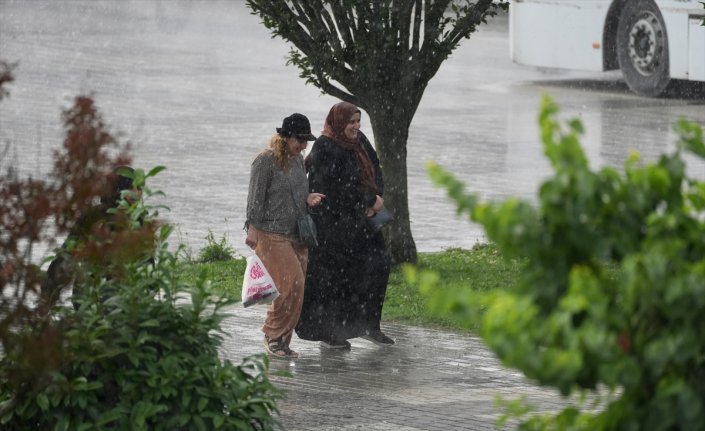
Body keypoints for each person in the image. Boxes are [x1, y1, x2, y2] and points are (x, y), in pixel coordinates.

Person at [295, 101, 394, 349]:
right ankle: (330, 332)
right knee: (333, 280)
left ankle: (369, 324)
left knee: (378, 264)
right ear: (339, 122)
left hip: (361, 220)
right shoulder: (325, 146)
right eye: (351, 122)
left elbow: (376, 167)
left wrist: (375, 199)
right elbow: (332, 188)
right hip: (333, 226)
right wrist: (368, 200)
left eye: (358, 121)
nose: (356, 126)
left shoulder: (359, 141)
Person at [245, 113, 325, 360]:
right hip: (271, 233)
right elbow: (255, 197)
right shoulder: (265, 161)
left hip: (297, 234)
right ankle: (272, 334)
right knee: (292, 283)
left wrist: (308, 198)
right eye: (300, 140)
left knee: (297, 289)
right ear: (286, 137)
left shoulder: (298, 161)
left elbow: (297, 193)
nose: (303, 146)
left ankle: (282, 340)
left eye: (306, 141)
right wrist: (251, 227)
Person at [42, 166, 147, 309]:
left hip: (127, 304)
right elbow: (65, 258)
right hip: (89, 299)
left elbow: (147, 267)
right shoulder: (93, 217)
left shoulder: (140, 221)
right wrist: (47, 302)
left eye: (140, 188)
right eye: (133, 188)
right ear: (118, 189)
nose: (137, 194)